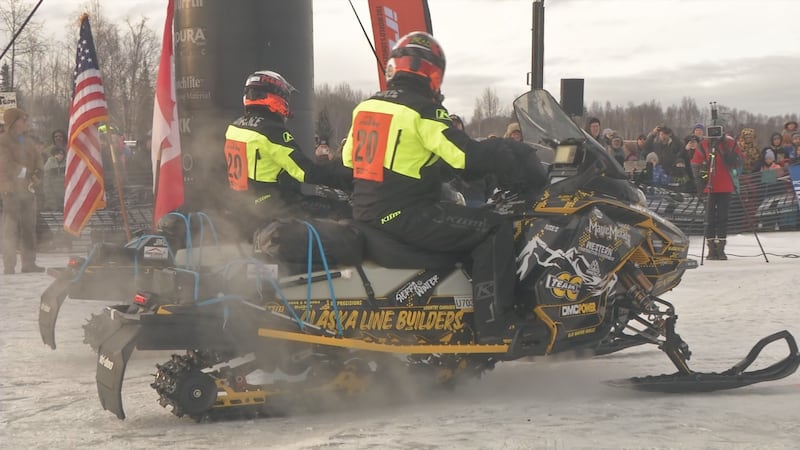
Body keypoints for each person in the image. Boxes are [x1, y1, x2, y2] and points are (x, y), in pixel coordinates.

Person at [342, 31, 546, 343]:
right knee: (493, 227)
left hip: (368, 211)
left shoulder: (366, 108)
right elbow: (466, 156)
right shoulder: (423, 109)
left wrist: (432, 169)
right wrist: (511, 150)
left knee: (462, 215)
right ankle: (496, 323)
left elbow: (349, 161)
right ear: (431, 74)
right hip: (404, 214)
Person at [223, 70, 351, 237]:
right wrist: (350, 176)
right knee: (344, 211)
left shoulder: (235, 127)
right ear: (275, 98)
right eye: (285, 97)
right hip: (274, 207)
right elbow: (307, 172)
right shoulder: (271, 131)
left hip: (245, 207)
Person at [0, 108, 45, 274]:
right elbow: (5, 164)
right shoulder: (3, 141)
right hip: (11, 190)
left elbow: (38, 160)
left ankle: (28, 263)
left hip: (27, 190)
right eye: (22, 119)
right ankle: (9, 265)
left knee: (28, 228)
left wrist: (38, 173)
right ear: (13, 122)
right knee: (10, 229)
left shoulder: (27, 141)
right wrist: (26, 173)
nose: (25, 121)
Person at [691, 129, 743, 261]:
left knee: (722, 218)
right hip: (709, 187)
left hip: (725, 186)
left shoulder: (730, 143)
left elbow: (740, 161)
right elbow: (696, 164)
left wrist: (733, 159)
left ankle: (721, 249)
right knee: (709, 219)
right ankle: (711, 248)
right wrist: (700, 185)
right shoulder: (704, 145)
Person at [42, 146, 67, 211]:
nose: (60, 155)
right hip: (52, 194)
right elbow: (46, 181)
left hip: (64, 193)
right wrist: (49, 197)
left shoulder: (67, 163)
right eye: (57, 153)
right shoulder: (49, 164)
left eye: (61, 154)